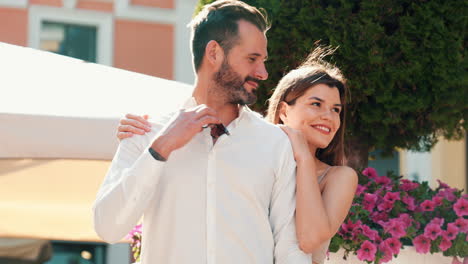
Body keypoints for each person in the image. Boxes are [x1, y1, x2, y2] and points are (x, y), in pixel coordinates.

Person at [93, 1, 310, 263]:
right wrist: (160, 149)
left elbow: (288, 246)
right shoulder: (147, 132)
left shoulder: (274, 143)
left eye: (263, 61)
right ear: (214, 53)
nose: (263, 73)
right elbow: (107, 227)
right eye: (252, 59)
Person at [117, 47, 358, 264]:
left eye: (336, 110)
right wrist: (145, 135)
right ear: (284, 110)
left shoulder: (339, 177)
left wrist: (304, 159)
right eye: (316, 104)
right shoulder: (248, 152)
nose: (329, 116)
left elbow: (309, 240)